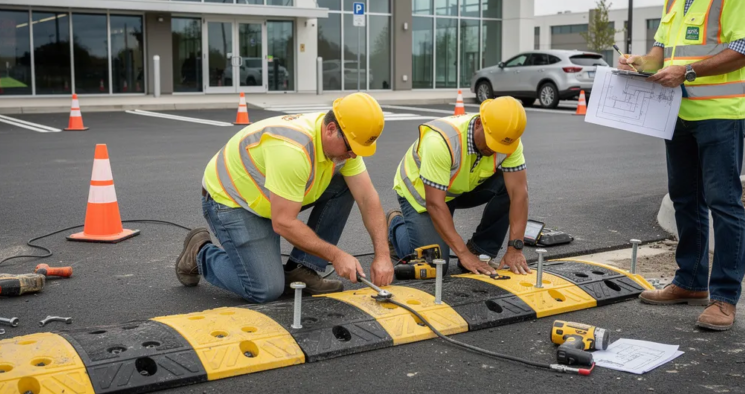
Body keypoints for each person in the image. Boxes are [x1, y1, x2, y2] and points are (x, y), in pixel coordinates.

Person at [620, 0, 745, 330]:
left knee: (723, 203)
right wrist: (639, 64)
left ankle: (724, 298)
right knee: (685, 198)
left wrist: (688, 71)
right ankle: (690, 281)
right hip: (678, 114)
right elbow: (661, 55)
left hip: (721, 115)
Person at [174, 92, 395, 303]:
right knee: (264, 289)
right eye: (351, 148)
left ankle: (302, 270)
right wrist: (336, 255)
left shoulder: (343, 141)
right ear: (330, 129)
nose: (354, 155)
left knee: (347, 185)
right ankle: (200, 252)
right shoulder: (293, 150)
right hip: (231, 201)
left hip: (271, 197)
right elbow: (283, 223)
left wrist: (383, 256)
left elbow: (367, 198)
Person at [386, 96, 531, 276]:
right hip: (423, 195)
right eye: (491, 142)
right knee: (436, 265)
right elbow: (435, 204)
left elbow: (519, 194)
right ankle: (395, 224)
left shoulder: (507, 141)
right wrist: (463, 254)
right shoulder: (442, 141)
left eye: (500, 146)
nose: (494, 150)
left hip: (458, 188)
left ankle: (480, 250)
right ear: (478, 123)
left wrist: (515, 248)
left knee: (509, 185)